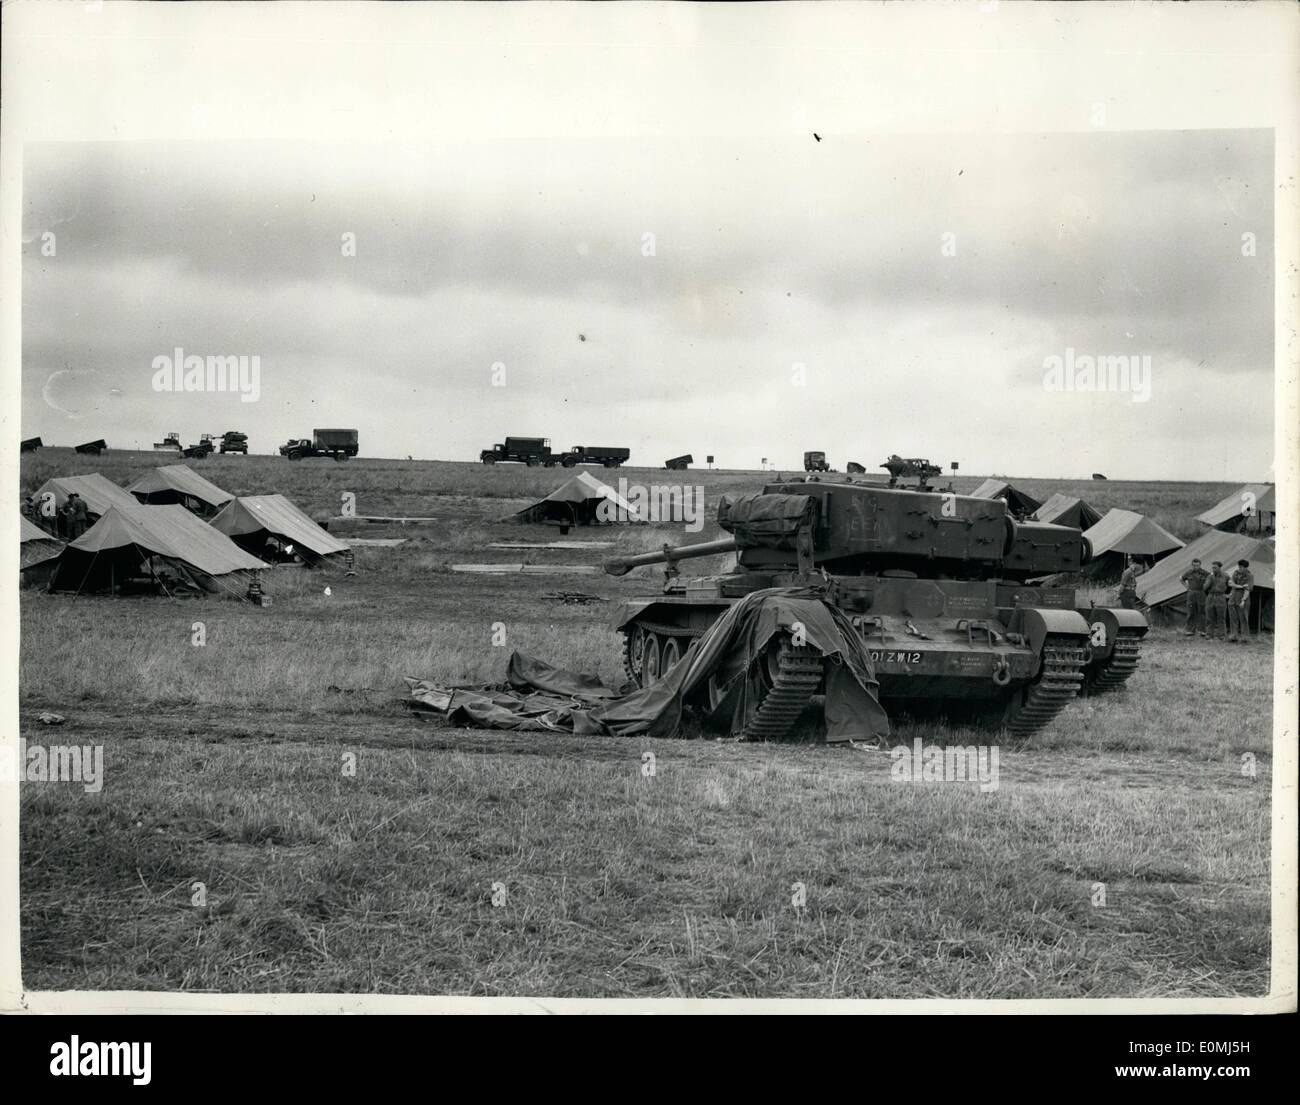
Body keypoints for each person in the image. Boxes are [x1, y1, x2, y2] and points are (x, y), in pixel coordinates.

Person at [1179, 557, 1209, 636]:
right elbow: (1181, 579)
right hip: (1191, 593)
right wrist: (1187, 587)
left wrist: (1206, 587)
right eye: (1194, 565)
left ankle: (1203, 630)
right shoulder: (1189, 572)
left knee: (1202, 611)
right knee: (1191, 611)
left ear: (1200, 565)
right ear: (1192, 565)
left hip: (1201, 593)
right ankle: (1190, 630)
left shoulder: (1204, 573)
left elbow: (1211, 579)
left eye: (1197, 565)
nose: (1196, 567)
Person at [1227, 558, 1254, 642]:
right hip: (1233, 596)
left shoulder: (1249, 576)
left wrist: (1243, 600)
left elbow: (1248, 589)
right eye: (1239, 567)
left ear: (1246, 568)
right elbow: (1230, 583)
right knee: (1233, 617)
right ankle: (1234, 635)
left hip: (1242, 597)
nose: (1240, 569)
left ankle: (1244, 637)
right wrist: (1240, 586)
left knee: (1243, 618)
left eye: (1241, 567)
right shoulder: (1235, 573)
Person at [1205, 560, 1230, 640]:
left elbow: (1231, 585)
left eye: (1215, 568)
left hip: (1220, 597)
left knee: (1221, 617)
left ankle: (1221, 635)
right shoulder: (1210, 576)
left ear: (1220, 568)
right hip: (1211, 596)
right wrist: (1210, 579)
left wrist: (1229, 595)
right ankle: (1209, 634)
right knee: (1209, 617)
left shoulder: (1226, 576)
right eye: (1212, 568)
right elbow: (1205, 588)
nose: (1213, 569)